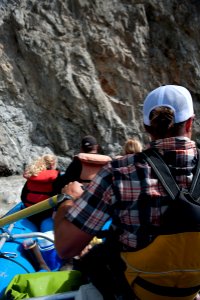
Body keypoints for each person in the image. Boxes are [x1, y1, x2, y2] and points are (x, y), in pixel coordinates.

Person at [54, 85, 200, 300]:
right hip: (191, 289)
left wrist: (68, 200)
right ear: (190, 122)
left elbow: (66, 248)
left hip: (133, 290)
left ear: (146, 127)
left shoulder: (118, 172)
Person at [21, 154, 59, 230]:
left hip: (29, 213)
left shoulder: (32, 176)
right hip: (46, 215)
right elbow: (59, 198)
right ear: (53, 165)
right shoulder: (57, 178)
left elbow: (23, 197)